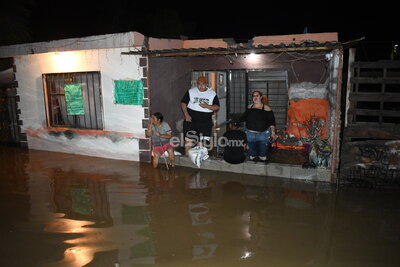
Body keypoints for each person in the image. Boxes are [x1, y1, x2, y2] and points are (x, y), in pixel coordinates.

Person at [181, 76, 220, 155]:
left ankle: (198, 160)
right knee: (188, 141)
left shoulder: (212, 94)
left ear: (207, 84)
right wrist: (186, 114)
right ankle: (187, 160)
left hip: (205, 123)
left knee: (201, 143)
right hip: (191, 121)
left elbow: (217, 106)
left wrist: (207, 106)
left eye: (203, 84)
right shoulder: (191, 92)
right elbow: (183, 102)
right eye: (199, 84)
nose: (201, 86)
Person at [239, 90, 277, 162]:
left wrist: (273, 133)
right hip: (250, 134)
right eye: (254, 96)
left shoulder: (267, 108)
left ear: (261, 97)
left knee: (262, 156)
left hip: (263, 135)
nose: (255, 97)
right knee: (252, 155)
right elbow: (243, 118)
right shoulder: (249, 107)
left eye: (257, 95)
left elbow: (272, 122)